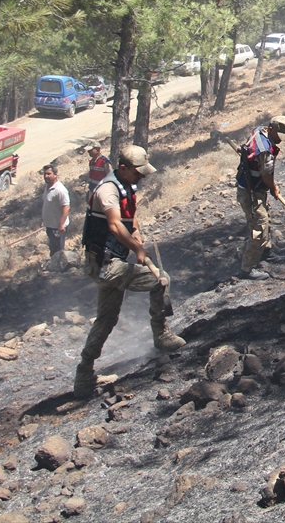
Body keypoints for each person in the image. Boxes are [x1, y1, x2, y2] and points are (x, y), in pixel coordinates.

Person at [74, 144, 184, 398]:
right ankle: (161, 335)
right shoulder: (107, 191)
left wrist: (135, 232)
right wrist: (137, 249)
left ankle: (84, 375)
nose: (142, 177)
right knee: (159, 280)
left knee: (107, 319)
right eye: (138, 172)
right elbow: (113, 225)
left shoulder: (125, 186)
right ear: (123, 168)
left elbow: (127, 218)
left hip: (111, 262)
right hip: (105, 265)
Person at [236, 115, 285, 278]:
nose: (280, 140)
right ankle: (247, 269)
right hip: (251, 192)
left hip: (257, 188)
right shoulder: (266, 150)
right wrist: (274, 189)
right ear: (272, 129)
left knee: (265, 218)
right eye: (278, 136)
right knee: (259, 227)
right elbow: (267, 176)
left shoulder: (259, 130)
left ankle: (265, 254)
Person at [41, 164, 70, 256]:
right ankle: (53, 268)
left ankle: (60, 269)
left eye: (49, 174)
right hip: (50, 225)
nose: (46, 176)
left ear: (55, 174)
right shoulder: (48, 187)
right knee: (53, 250)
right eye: (45, 174)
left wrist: (61, 224)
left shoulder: (60, 190)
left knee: (58, 251)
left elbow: (66, 206)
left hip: (57, 227)